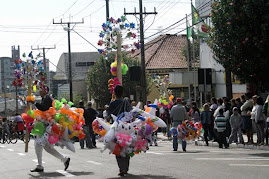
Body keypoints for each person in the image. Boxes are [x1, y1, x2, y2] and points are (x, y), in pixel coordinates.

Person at [31, 85, 70, 172]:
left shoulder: (47, 98)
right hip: (45, 126)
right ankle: (64, 159)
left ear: (45, 91)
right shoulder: (45, 98)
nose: (39, 91)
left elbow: (43, 108)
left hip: (48, 126)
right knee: (47, 148)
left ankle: (40, 166)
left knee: (38, 144)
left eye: (41, 90)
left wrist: (34, 103)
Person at [107, 85, 132, 177]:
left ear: (114, 93)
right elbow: (131, 114)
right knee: (127, 145)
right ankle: (126, 167)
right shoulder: (126, 102)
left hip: (116, 127)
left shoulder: (112, 103)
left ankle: (122, 168)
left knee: (117, 146)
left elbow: (109, 115)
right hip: (127, 127)